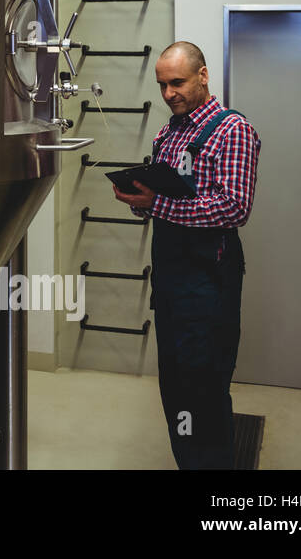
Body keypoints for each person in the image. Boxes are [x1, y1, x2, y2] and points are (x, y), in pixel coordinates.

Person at [111, 41, 260, 469]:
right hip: (172, 283)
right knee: (176, 388)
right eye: (162, 85)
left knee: (206, 390)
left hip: (209, 286)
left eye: (177, 82)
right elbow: (165, 197)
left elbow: (234, 206)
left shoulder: (232, 130)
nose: (169, 94)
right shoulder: (170, 132)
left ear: (203, 75)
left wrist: (156, 204)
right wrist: (140, 198)